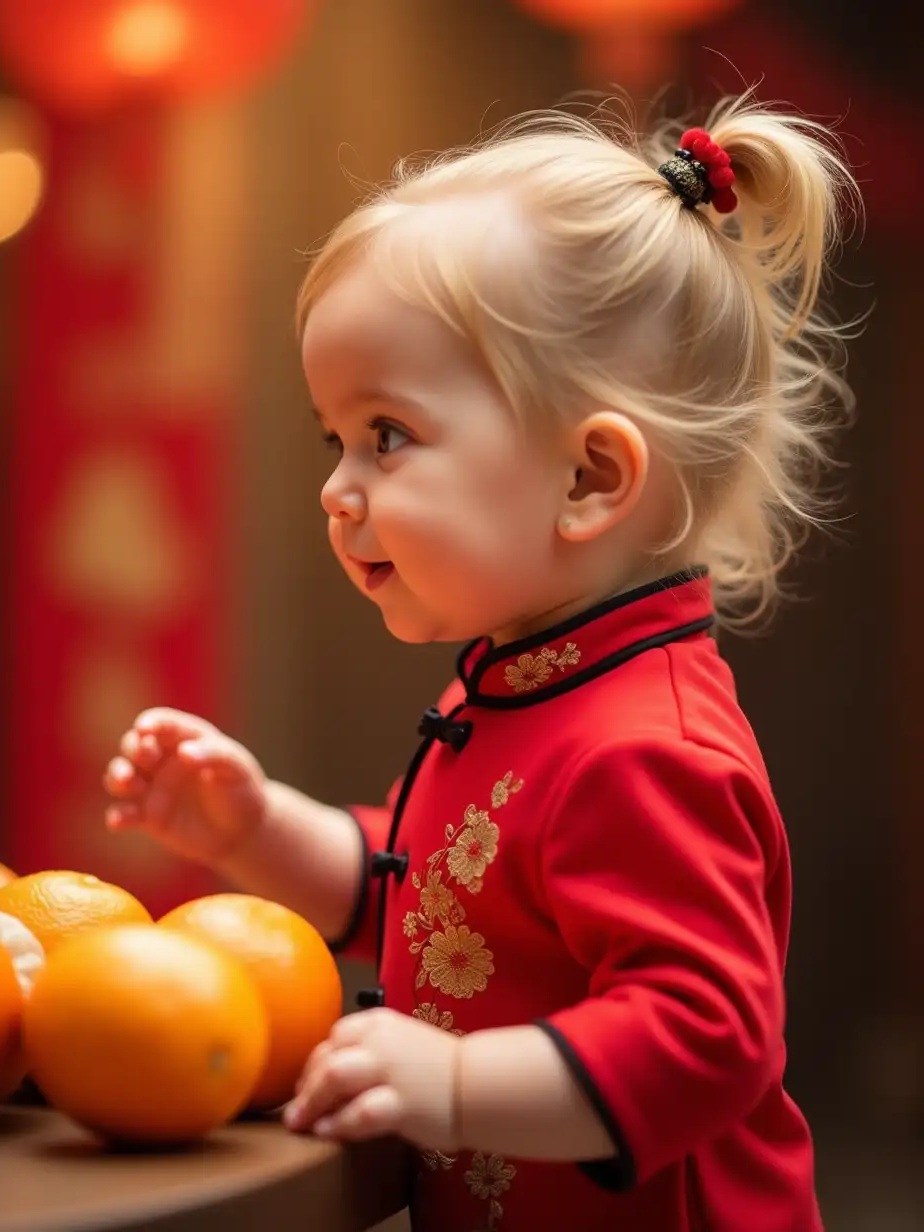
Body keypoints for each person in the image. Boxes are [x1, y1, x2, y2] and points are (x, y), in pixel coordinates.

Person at [103, 90, 858, 1231]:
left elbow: (708, 1033)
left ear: (587, 479)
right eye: (333, 436)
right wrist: (256, 827)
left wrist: (452, 1086)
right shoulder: (528, 680)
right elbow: (443, 902)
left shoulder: (646, 747)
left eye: (387, 434)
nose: (336, 486)